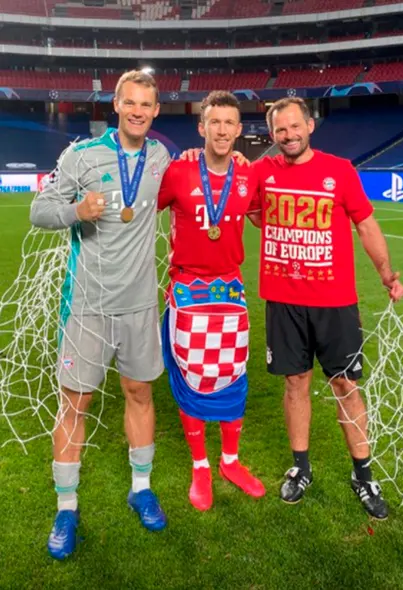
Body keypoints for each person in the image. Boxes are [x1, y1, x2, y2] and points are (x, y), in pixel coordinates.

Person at [29, 70, 173, 559]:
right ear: (116, 104)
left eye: (146, 105)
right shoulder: (80, 155)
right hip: (86, 307)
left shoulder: (160, 156)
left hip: (138, 307)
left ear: (156, 111)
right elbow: (40, 210)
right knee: (75, 404)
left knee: (139, 393)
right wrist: (76, 212)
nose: (137, 111)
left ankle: (141, 487)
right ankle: (65, 508)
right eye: (130, 102)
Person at [251, 97, 403, 519]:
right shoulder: (261, 171)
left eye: (295, 126)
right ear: (272, 134)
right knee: (295, 383)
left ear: (310, 126)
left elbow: (366, 224)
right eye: (281, 130)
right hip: (283, 300)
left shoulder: (339, 170)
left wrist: (386, 274)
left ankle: (362, 473)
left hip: (335, 302)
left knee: (345, 386)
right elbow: (249, 210)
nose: (289, 135)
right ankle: (301, 468)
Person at [157, 91, 265, 511]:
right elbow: (146, 210)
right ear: (201, 128)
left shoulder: (248, 175)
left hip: (230, 289)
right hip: (187, 288)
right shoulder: (179, 171)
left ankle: (230, 462)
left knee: (232, 374)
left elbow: (261, 214)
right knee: (192, 378)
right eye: (213, 123)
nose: (221, 130)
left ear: (239, 131)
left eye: (229, 124)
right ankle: (201, 465)